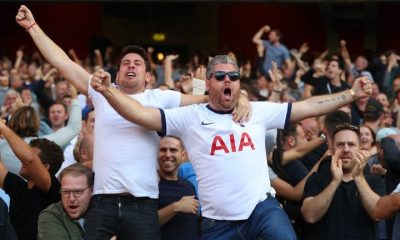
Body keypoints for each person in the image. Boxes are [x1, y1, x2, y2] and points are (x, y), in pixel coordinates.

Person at [16, 5, 250, 239]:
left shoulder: (159, 97)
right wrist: (33, 27)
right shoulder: (102, 91)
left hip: (143, 205)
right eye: (125, 63)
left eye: (137, 63)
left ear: (149, 76)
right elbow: (62, 62)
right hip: (102, 202)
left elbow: (212, 99)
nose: (130, 66)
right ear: (117, 75)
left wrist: (242, 97)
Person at [90, 54, 372, 239]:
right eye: (221, 77)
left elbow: (308, 106)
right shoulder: (190, 117)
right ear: (208, 83)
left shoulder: (257, 112)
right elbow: (140, 114)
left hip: (262, 210)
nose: (228, 81)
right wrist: (106, 91)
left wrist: (351, 93)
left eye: (234, 77)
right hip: (218, 224)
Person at [301, 123, 386, 240]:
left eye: (351, 144)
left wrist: (359, 178)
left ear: (360, 148)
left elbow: (377, 215)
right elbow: (309, 216)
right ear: (332, 149)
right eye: (340, 145)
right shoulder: (316, 179)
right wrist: (335, 182)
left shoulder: (375, 181)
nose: (346, 150)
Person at [0, 120, 64, 240]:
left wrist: (4, 128)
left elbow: (30, 159)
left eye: (24, 156)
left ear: (45, 168)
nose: (21, 159)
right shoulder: (18, 186)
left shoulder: (54, 189)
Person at [157, 136, 200, 240]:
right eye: (163, 150)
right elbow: (143, 224)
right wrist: (176, 207)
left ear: (183, 155)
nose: (167, 155)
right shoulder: (150, 186)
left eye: (173, 150)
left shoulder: (188, 186)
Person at [38, 163, 94, 240]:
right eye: (66, 192)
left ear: (91, 191)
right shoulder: (51, 216)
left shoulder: (104, 211)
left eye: (78, 192)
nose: (71, 198)